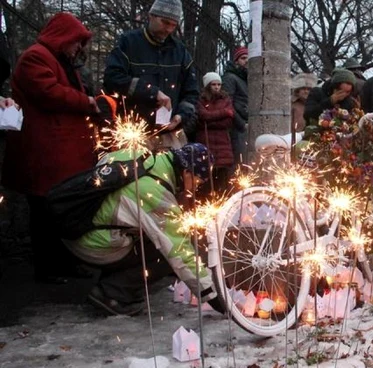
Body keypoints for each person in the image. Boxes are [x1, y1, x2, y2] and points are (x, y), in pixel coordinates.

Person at [63, 143, 220, 316]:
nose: (194, 189)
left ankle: (113, 279)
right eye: (198, 182)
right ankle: (111, 293)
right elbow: (180, 250)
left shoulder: (140, 155)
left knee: (151, 234)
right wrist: (213, 296)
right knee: (165, 252)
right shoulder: (156, 193)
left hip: (77, 226)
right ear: (187, 172)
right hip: (92, 243)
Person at [1, 12, 99, 284]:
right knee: (45, 213)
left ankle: (65, 264)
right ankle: (49, 269)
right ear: (63, 37)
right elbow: (50, 93)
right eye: (76, 41)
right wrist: (86, 102)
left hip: (61, 152)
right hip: (45, 152)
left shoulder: (58, 59)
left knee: (61, 211)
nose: (79, 48)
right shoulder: (36, 57)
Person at [103, 0, 198, 150]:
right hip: (133, 132)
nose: (168, 29)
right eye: (165, 22)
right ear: (151, 16)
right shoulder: (128, 43)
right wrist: (152, 92)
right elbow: (112, 79)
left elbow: (192, 93)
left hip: (171, 134)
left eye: (173, 25)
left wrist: (180, 116)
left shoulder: (180, 52)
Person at [195, 72, 234, 195]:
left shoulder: (226, 99)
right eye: (213, 84)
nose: (217, 87)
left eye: (218, 84)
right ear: (208, 85)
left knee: (222, 182)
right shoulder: (201, 100)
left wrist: (210, 119)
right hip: (206, 142)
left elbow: (228, 120)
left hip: (223, 146)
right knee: (206, 180)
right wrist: (223, 113)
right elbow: (203, 116)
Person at [222, 46, 249, 166]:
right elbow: (227, 104)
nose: (247, 61)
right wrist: (242, 124)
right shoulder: (230, 78)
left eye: (249, 58)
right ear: (236, 61)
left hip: (246, 125)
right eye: (243, 58)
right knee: (239, 163)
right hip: (237, 128)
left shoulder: (247, 78)